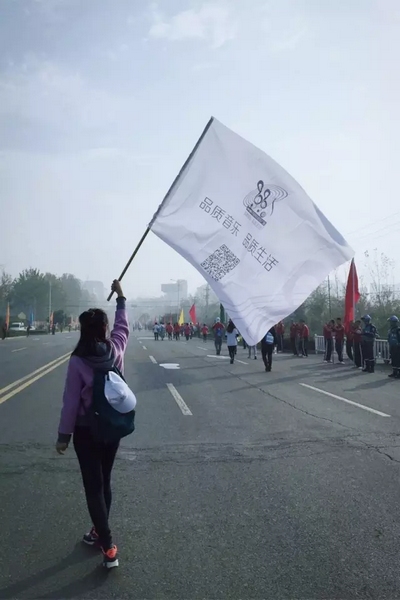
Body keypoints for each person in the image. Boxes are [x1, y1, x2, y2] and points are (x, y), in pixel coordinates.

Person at [56, 280, 129, 569]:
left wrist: (64, 436)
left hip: (86, 432)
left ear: (83, 330)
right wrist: (121, 298)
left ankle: (108, 545)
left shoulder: (78, 361)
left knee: (93, 487)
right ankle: (99, 533)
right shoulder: (116, 349)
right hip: (112, 427)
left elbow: (71, 402)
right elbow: (123, 328)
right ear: (104, 329)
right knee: (105, 481)